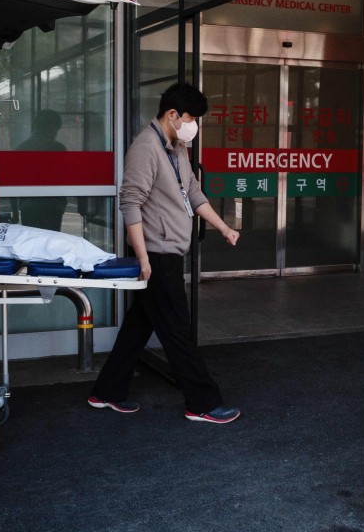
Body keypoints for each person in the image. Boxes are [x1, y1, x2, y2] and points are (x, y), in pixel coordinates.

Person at [88, 82, 241, 424]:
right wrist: (143, 259)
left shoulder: (177, 147)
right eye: (190, 118)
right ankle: (202, 403)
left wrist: (223, 227)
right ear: (172, 115)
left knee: (138, 327)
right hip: (156, 255)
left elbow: (193, 192)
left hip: (168, 253)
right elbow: (131, 203)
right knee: (177, 332)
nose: (194, 126)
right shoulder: (146, 147)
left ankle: (106, 392)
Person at [15, 109, 68, 231]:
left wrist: (15, 210)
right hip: (53, 204)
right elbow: (64, 177)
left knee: (31, 241)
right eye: (56, 128)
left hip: (28, 205)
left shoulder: (22, 148)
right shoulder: (58, 148)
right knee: (50, 242)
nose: (56, 133)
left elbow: (13, 179)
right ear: (50, 127)